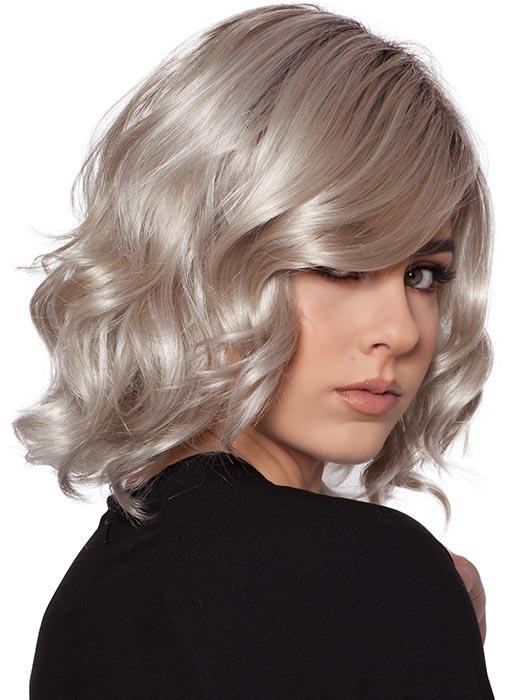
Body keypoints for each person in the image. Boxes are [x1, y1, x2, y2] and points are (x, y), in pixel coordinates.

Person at [15, 4, 495, 697]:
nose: (401, 331)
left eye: (422, 275)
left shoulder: (91, 601)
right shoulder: (362, 573)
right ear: (204, 255)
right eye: (340, 264)